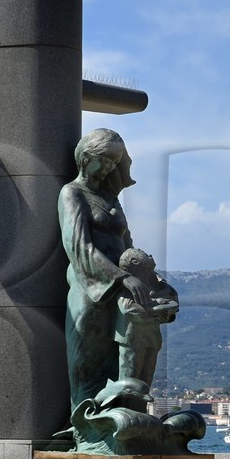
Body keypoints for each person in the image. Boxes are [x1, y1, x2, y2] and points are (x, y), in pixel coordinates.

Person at [59, 128, 142, 411]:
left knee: (118, 363)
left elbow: (126, 243)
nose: (109, 167)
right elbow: (78, 246)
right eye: (105, 159)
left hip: (120, 294)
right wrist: (121, 278)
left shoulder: (111, 199)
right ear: (86, 157)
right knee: (87, 365)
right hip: (90, 292)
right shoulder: (71, 193)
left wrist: (143, 274)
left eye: (114, 161)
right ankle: (85, 426)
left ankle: (114, 420)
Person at [113, 248, 178, 390]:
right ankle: (123, 407)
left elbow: (173, 302)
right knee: (129, 379)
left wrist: (165, 312)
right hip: (131, 338)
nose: (150, 255)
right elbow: (129, 309)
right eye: (143, 252)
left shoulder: (157, 283)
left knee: (146, 379)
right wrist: (157, 308)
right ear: (135, 262)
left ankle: (138, 408)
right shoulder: (128, 285)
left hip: (152, 338)